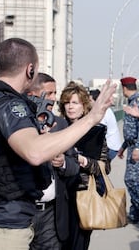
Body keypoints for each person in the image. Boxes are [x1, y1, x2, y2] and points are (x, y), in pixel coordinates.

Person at [0, 38, 115, 249]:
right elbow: (35, 153)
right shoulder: (9, 107)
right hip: (4, 228)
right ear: (30, 70)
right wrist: (92, 117)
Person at [26, 73, 80, 250]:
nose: (54, 98)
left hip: (51, 214)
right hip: (22, 213)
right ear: (32, 94)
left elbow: (74, 166)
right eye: (49, 93)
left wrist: (63, 162)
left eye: (55, 93)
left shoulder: (61, 124)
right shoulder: (19, 125)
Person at [59, 82, 112, 250]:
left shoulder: (96, 132)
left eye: (75, 103)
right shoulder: (56, 127)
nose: (70, 107)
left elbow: (105, 167)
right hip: (59, 196)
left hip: (83, 196)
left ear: (84, 105)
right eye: (67, 103)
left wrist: (82, 160)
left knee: (78, 244)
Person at [119, 76, 139, 228]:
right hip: (131, 146)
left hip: (138, 147)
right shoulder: (131, 102)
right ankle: (136, 212)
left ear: (124, 88)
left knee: (132, 180)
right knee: (131, 180)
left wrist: (138, 147)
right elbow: (130, 129)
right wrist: (123, 147)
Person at [89, 88, 122, 160]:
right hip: (112, 147)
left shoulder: (102, 112)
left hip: (110, 148)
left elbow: (97, 131)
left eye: (90, 101)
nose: (88, 103)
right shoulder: (104, 109)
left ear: (97, 101)